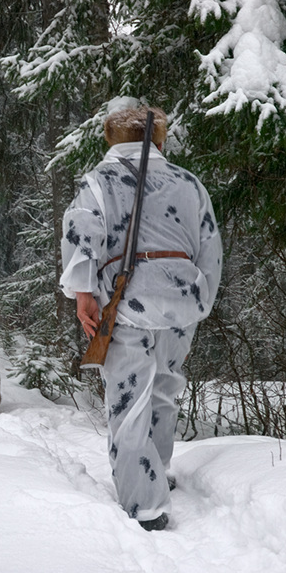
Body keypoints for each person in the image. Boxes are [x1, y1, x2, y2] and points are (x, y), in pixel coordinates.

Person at [59, 106, 222, 531]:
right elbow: (210, 247)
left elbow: (81, 236)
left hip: (126, 302)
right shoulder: (190, 183)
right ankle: (156, 468)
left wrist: (83, 296)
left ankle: (146, 505)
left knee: (129, 400)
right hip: (182, 304)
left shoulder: (99, 182)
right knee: (165, 389)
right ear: (159, 140)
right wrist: (199, 299)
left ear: (111, 140)